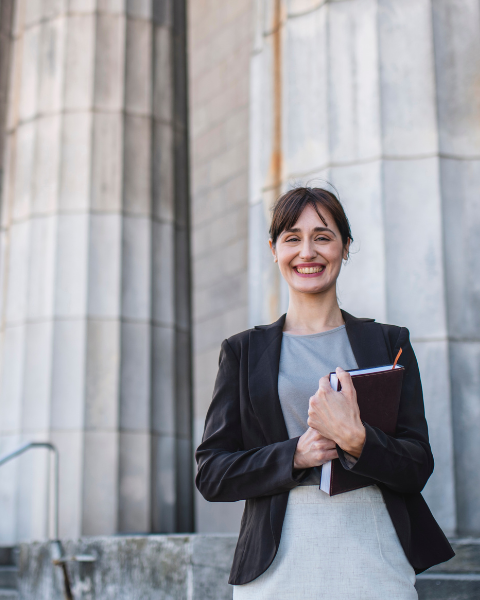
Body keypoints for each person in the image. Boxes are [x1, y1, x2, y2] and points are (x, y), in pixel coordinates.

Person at [195, 187, 454, 599]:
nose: (307, 252)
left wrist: (358, 441)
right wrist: (295, 454)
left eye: (323, 236)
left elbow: (418, 463)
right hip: (278, 555)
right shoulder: (243, 352)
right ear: (274, 250)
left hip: (373, 545)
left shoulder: (389, 344)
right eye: (292, 238)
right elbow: (212, 474)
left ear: (345, 247)